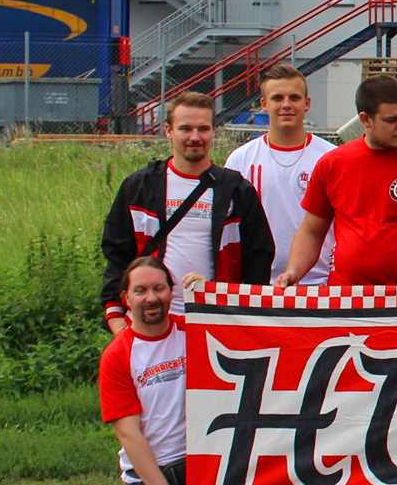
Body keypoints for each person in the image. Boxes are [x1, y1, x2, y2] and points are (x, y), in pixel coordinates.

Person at [100, 91, 273, 330]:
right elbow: (117, 253)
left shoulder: (237, 190)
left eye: (203, 129)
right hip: (150, 324)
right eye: (185, 129)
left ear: (213, 131)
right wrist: (115, 317)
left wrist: (245, 318)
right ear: (168, 130)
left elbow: (258, 260)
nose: (195, 137)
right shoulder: (139, 187)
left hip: (215, 322)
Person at [276, 75, 397, 287]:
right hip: (345, 295)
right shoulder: (332, 164)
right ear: (365, 119)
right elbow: (312, 231)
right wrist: (294, 271)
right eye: (392, 120)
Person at [98, 258, 195, 485]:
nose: (151, 298)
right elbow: (130, 436)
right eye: (140, 291)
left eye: (158, 288)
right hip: (150, 477)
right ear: (126, 298)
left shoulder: (193, 330)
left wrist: (207, 291)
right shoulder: (118, 356)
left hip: (204, 468)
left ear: (171, 291)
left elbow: (242, 325)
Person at [225, 64, 337, 288]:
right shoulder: (241, 160)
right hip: (260, 284)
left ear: (307, 103)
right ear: (264, 104)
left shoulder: (331, 157)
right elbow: (229, 229)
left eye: (294, 98)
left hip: (319, 284)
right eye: (277, 98)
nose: (286, 105)